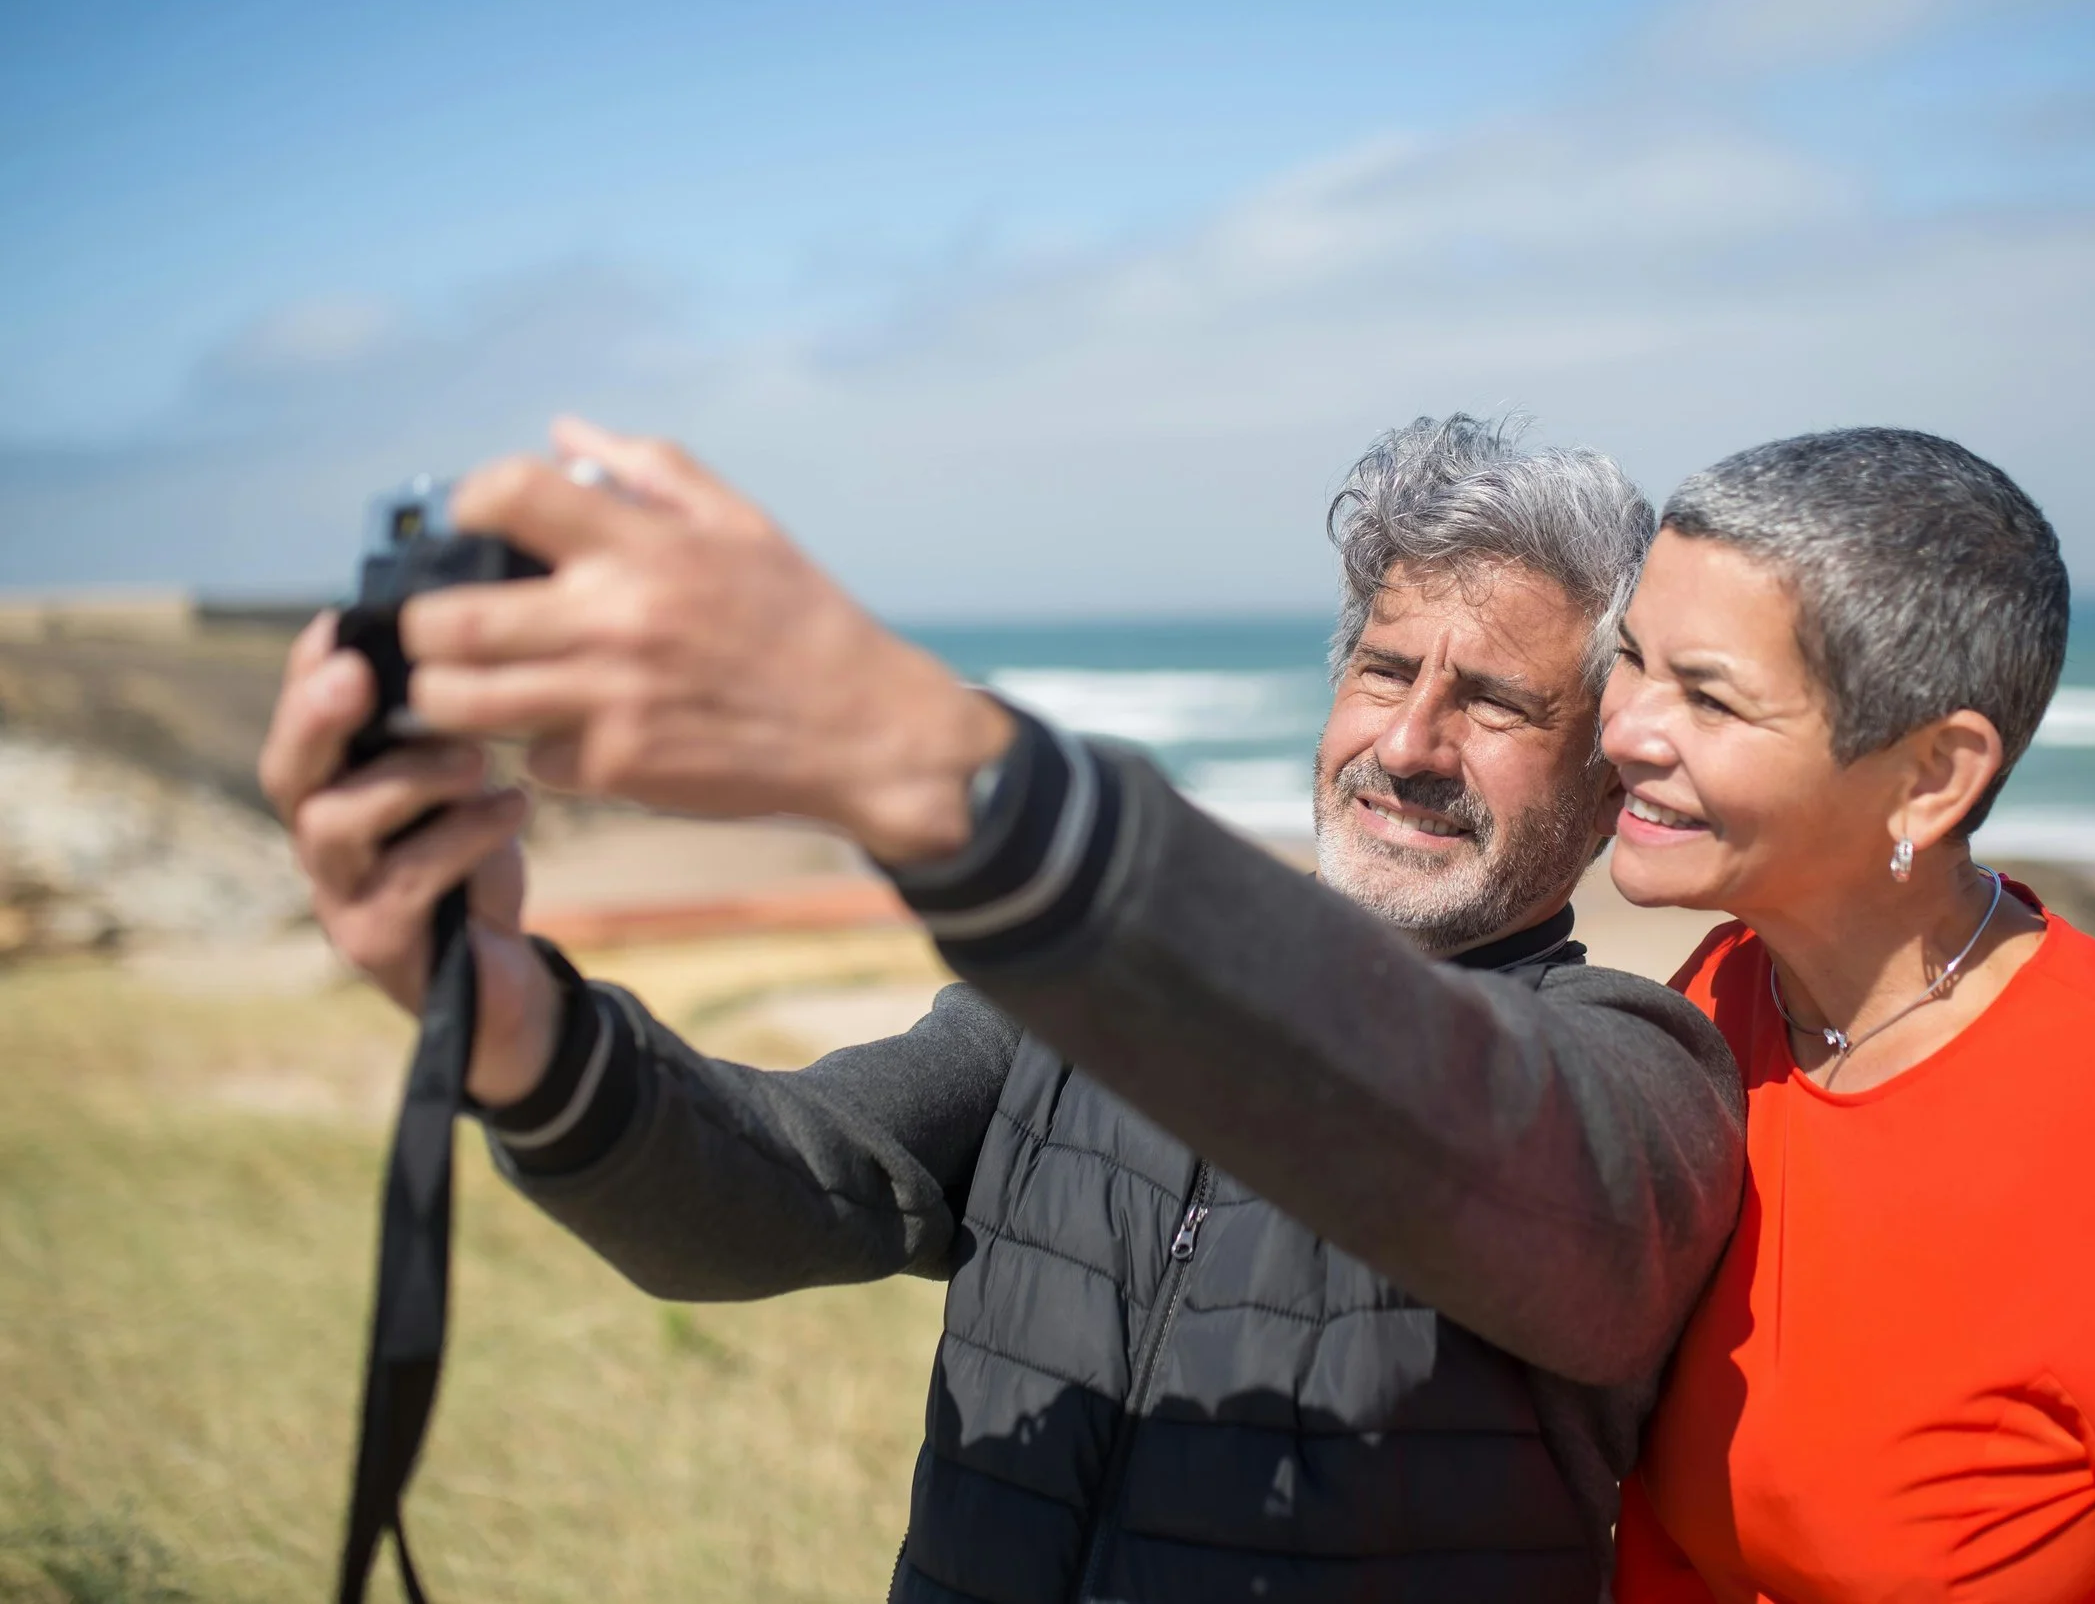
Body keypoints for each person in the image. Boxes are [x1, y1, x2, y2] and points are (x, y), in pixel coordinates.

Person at [258, 414, 1745, 1603]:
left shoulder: (1639, 1077)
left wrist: (905, 754)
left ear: (1609, 775)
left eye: (1494, 702)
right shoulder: (1067, 1024)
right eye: (1381, 669)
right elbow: (781, 1185)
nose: (1409, 743)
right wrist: (515, 1019)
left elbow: (1451, 1118)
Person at [1598, 428, 2095, 1601]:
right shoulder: (1718, 996)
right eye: (1632, 657)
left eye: (1709, 696)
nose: (1624, 727)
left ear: (1933, 776)